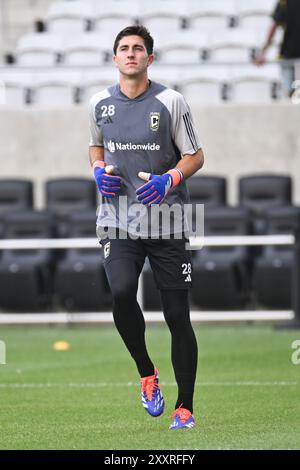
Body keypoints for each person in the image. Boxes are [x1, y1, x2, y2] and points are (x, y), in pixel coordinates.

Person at [89, 25, 204, 430]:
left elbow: (195, 155)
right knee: (121, 291)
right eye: (124, 48)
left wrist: (169, 179)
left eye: (139, 48)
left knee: (176, 315)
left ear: (150, 58)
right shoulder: (99, 102)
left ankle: (184, 408)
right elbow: (95, 145)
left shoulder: (171, 101)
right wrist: (97, 171)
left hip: (168, 221)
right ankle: (147, 372)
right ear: (115, 57)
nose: (132, 54)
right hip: (118, 220)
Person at [254, 0, 300, 98]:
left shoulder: (284, 2)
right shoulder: (284, 2)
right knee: (292, 94)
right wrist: (263, 53)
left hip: (288, 53)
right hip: (288, 54)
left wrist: (263, 52)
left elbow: (273, 28)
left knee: (291, 94)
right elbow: (273, 28)